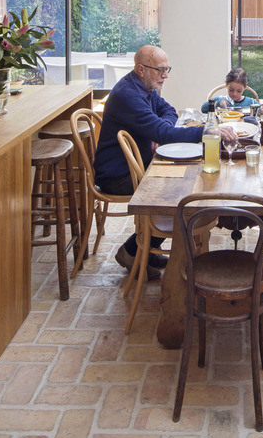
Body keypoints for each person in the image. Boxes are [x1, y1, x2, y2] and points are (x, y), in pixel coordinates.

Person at [93, 45, 236, 275]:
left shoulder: (145, 87)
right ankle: (135, 251)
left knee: (185, 180)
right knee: (179, 191)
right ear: (141, 69)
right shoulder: (128, 95)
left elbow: (169, 111)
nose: (165, 75)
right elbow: (165, 133)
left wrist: (158, 131)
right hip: (118, 174)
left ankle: (142, 250)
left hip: (138, 163)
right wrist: (208, 131)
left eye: (166, 68)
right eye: (160, 70)